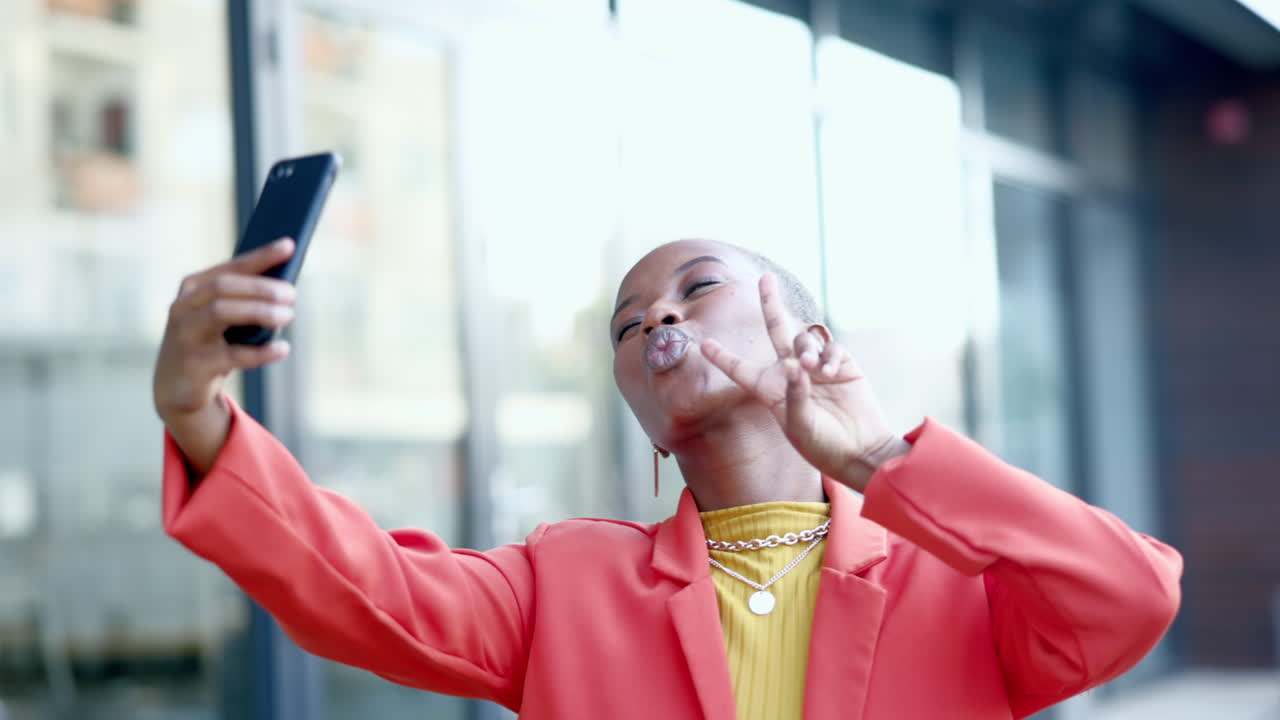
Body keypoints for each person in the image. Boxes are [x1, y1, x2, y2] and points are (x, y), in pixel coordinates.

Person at [153, 237, 1182, 720]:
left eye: (696, 288)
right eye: (627, 321)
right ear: (640, 419)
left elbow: (1129, 595)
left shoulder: (956, 581)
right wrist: (196, 413)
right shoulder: (562, 586)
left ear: (807, 339)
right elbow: (363, 590)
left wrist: (879, 464)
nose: (656, 319)